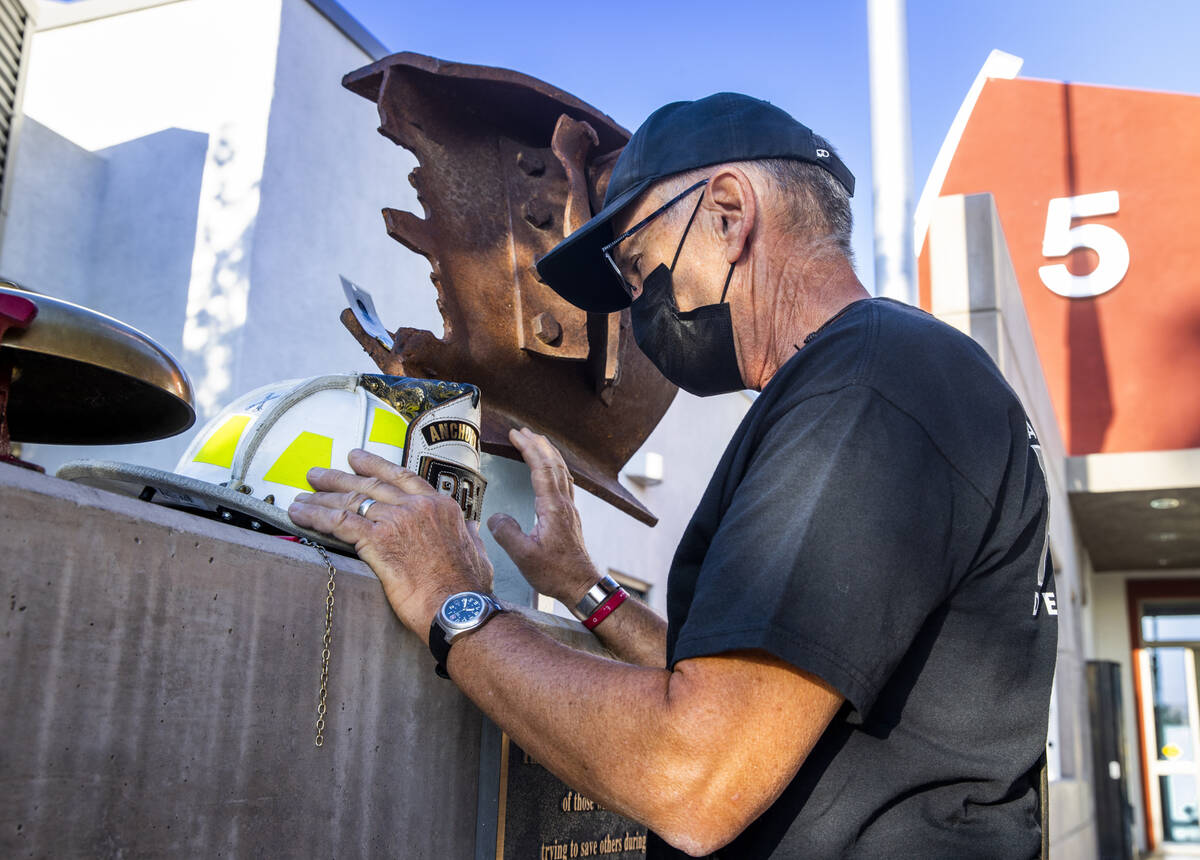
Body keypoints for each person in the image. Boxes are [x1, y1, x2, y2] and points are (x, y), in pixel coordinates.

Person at [289, 92, 1058, 858]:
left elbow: (694, 772)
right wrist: (583, 587)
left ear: (727, 212)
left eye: (636, 263)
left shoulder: (865, 387)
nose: (635, 304)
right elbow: (754, 695)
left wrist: (451, 603)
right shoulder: (891, 376)